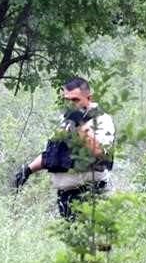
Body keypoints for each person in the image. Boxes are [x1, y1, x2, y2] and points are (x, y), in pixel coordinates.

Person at [14, 77, 115, 220]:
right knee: (74, 241)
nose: (70, 104)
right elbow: (54, 154)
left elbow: (99, 152)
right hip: (66, 197)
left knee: (97, 241)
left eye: (75, 100)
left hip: (92, 194)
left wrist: (79, 125)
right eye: (67, 100)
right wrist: (28, 170)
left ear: (89, 98)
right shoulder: (65, 120)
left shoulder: (101, 120)